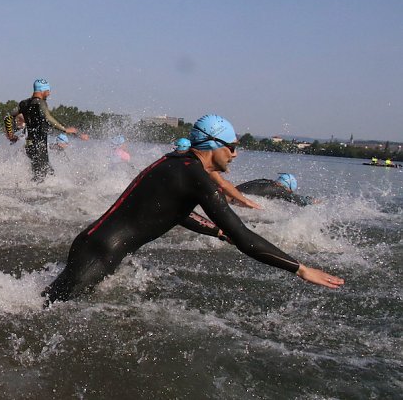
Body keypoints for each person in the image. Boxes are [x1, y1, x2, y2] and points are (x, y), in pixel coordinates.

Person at [43, 114, 344, 304]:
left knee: (47, 307)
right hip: (99, 253)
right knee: (44, 316)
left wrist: (216, 232)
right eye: (232, 147)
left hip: (94, 245)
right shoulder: (196, 176)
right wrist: (300, 269)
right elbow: (244, 236)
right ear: (213, 145)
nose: (236, 154)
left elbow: (174, 212)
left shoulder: (176, 163)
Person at [3, 79, 85, 181]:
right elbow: (48, 117)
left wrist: (10, 134)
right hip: (39, 145)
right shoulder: (41, 103)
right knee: (44, 176)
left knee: (44, 174)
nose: (49, 93)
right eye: (48, 91)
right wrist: (65, 130)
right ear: (43, 90)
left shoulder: (23, 103)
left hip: (29, 145)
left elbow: (7, 118)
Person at [236, 173, 314, 207]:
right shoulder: (278, 189)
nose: (287, 193)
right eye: (289, 191)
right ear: (287, 188)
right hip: (235, 200)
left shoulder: (264, 181)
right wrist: (311, 201)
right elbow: (297, 199)